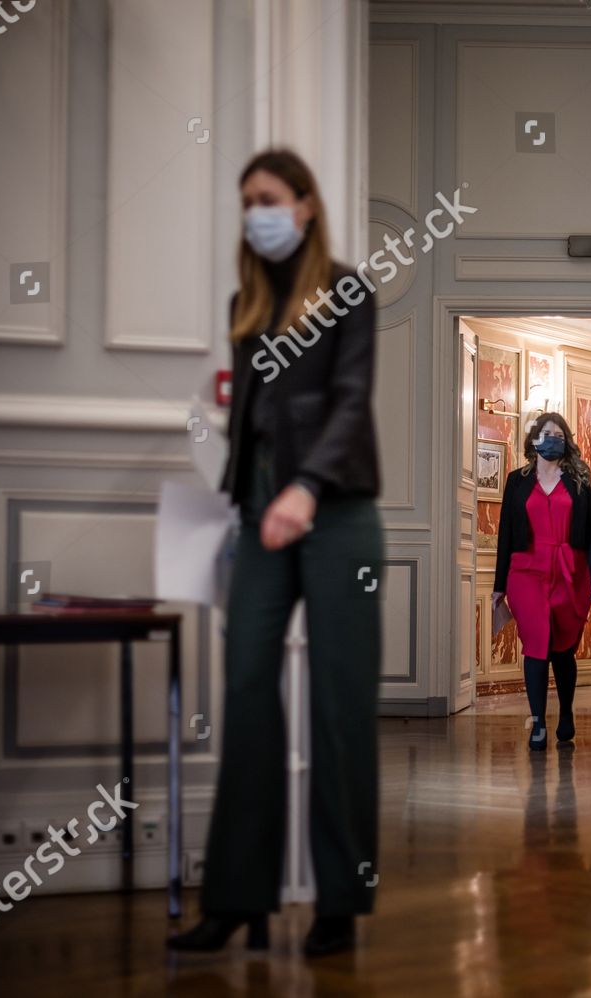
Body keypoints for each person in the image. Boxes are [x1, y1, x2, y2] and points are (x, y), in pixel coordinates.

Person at [168, 149, 383, 957]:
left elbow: (351, 402)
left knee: (338, 709)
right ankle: (236, 900)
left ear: (305, 206)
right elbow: (251, 424)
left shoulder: (348, 292)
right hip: (259, 520)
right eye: (247, 201)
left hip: (337, 517)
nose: (255, 213)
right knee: (249, 697)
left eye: (268, 198)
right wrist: (239, 501)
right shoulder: (246, 304)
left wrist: (309, 489)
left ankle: (340, 904)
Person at [492, 414, 591, 750]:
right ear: (534, 438)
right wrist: (499, 585)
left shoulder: (580, 480)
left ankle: (567, 712)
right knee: (536, 643)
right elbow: (505, 535)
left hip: (570, 570)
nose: (552, 439)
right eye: (546, 433)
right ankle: (539, 722)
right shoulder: (516, 480)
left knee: (562, 647)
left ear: (567, 440)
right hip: (526, 570)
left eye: (558, 434)